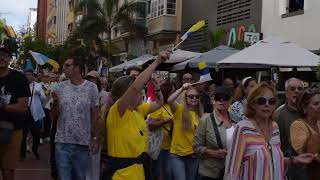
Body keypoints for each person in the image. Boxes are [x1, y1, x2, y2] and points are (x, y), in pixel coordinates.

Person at [103, 50, 170, 180]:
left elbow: (160, 102)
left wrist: (156, 88)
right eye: (139, 92)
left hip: (139, 173)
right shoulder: (117, 112)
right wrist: (157, 61)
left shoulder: (139, 110)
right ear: (125, 95)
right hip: (121, 175)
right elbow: (135, 87)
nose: (142, 93)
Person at [225, 82, 314, 180]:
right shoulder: (243, 128)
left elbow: (272, 159)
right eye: (261, 101)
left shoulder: (275, 127)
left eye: (271, 101)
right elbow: (232, 170)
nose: (267, 104)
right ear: (253, 104)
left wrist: (294, 160)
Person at [51, 55, 100, 180]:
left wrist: (95, 137)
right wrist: (55, 103)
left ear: (77, 68)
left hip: (82, 142)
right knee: (64, 177)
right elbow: (54, 116)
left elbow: (95, 114)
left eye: (67, 65)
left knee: (80, 176)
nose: (64, 68)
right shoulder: (59, 88)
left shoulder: (91, 88)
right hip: (62, 142)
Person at [0, 45, 31, 180]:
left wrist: (4, 106)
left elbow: (23, 107)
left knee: (7, 170)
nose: (1, 58)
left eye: (5, 56)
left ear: (10, 59)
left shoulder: (19, 78)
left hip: (12, 129)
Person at [193, 86, 235, 180]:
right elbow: (196, 147)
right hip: (211, 173)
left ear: (230, 101)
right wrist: (213, 153)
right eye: (217, 97)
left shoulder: (235, 119)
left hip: (231, 171)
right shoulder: (206, 120)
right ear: (213, 100)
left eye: (225, 98)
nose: (221, 100)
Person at [167, 83, 203, 180]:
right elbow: (169, 100)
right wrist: (182, 88)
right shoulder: (179, 110)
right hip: (177, 155)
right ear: (186, 98)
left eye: (197, 96)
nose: (194, 98)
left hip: (193, 155)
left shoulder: (201, 115)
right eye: (191, 96)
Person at [290, 88, 320, 179]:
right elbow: (308, 153)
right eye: (316, 104)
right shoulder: (297, 125)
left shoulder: (319, 123)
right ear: (304, 108)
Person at [148, 81, 175, 180]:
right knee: (160, 173)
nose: (175, 94)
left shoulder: (173, 105)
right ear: (167, 93)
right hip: (161, 146)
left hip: (172, 146)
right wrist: (166, 121)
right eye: (173, 92)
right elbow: (150, 125)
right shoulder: (158, 106)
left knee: (168, 173)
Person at [20, 70, 46, 160]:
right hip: (24, 113)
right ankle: (22, 154)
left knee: (36, 134)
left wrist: (39, 94)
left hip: (35, 113)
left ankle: (35, 150)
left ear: (32, 76)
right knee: (23, 135)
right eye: (26, 75)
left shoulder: (38, 86)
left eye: (29, 75)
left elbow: (44, 98)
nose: (28, 76)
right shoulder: (21, 85)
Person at [273, 78, 304, 153]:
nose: (296, 91)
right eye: (292, 89)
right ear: (286, 93)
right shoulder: (278, 114)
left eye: (300, 89)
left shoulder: (310, 110)